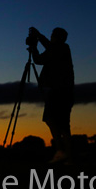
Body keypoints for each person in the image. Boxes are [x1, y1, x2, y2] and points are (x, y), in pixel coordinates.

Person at [28, 27, 74, 163]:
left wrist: (38, 36)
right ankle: (62, 152)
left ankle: (67, 154)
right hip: (57, 91)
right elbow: (39, 60)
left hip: (62, 91)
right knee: (52, 120)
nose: (51, 37)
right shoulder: (54, 50)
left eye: (53, 35)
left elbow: (50, 48)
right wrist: (34, 48)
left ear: (58, 37)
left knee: (62, 124)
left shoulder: (63, 48)